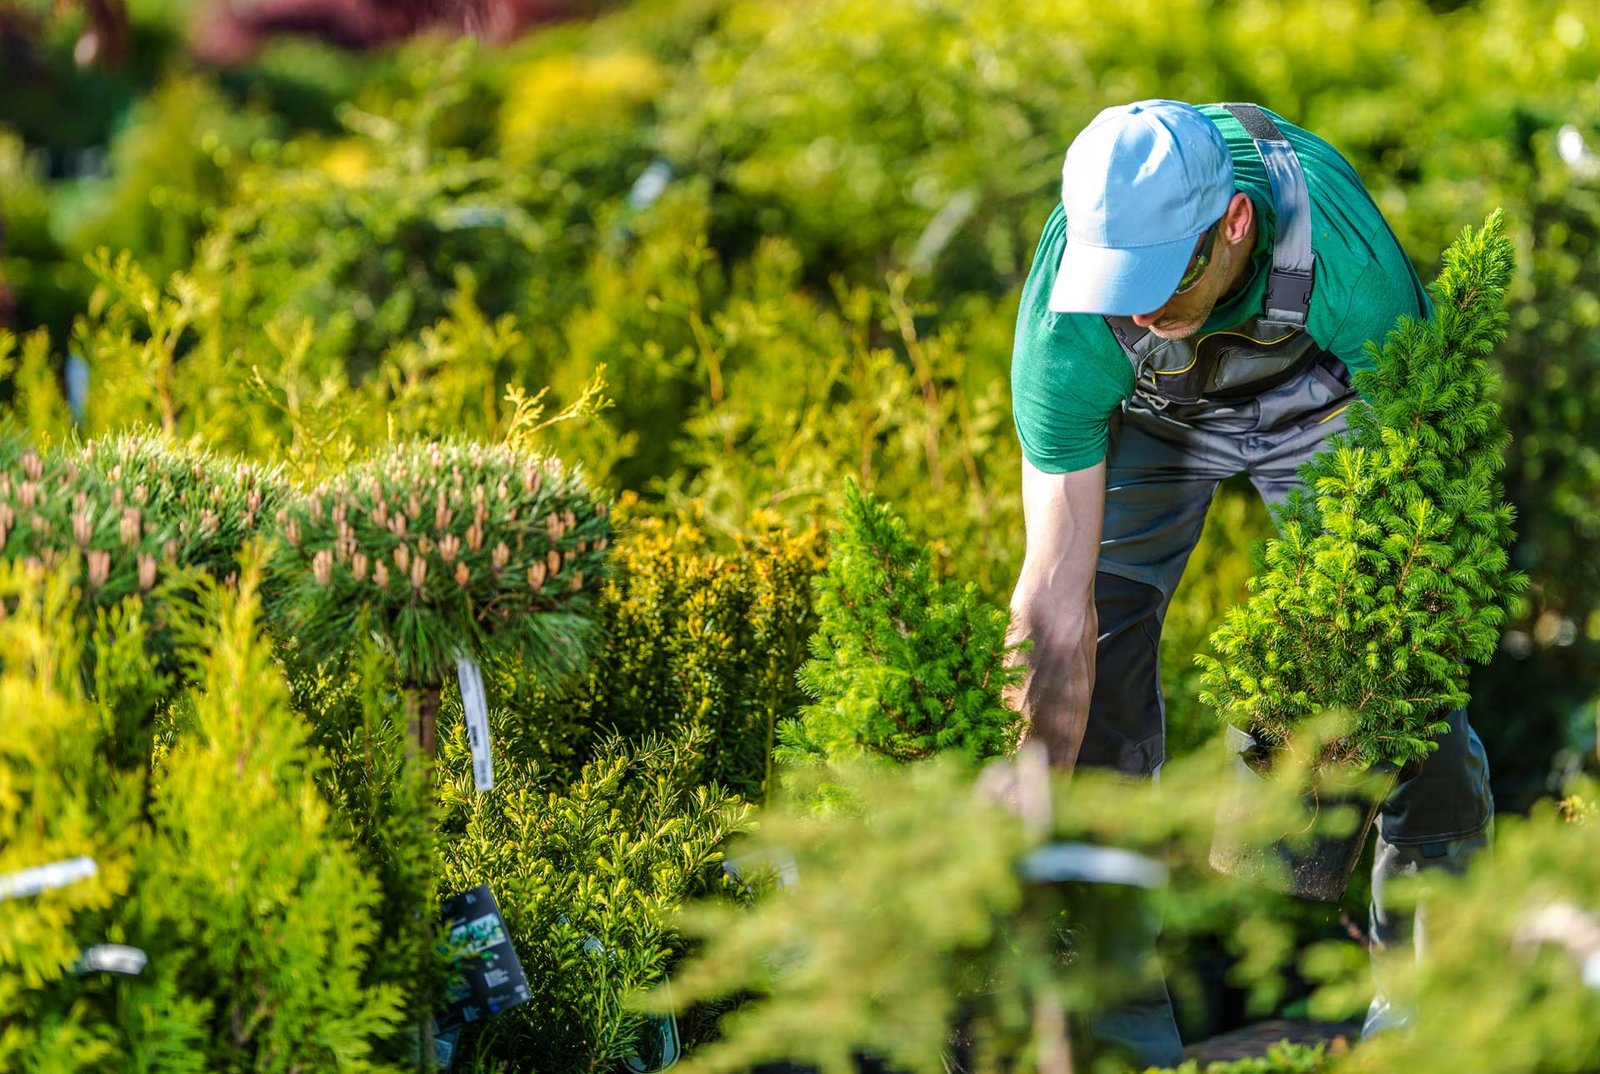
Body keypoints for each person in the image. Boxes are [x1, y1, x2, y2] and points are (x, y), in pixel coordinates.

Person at [1005, 100, 1494, 1064]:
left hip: (1322, 400)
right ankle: (1112, 1034)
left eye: (1159, 279)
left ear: (1234, 223)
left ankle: (1432, 1025)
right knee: (1089, 681)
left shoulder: (1352, 266)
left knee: (1419, 711)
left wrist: (1315, 717)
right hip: (1149, 417)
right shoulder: (1073, 327)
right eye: (1116, 285)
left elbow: (1416, 552)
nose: (1136, 309)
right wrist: (1023, 803)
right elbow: (1053, 600)